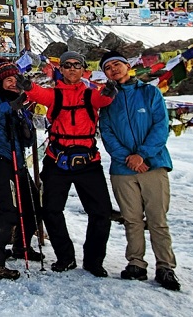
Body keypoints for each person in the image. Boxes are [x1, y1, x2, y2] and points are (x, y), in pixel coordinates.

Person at [18, 50, 116, 277]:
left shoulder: (91, 94)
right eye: (67, 65)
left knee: (101, 212)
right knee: (51, 210)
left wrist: (110, 93)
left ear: (83, 69)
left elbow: (104, 99)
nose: (72, 68)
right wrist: (28, 86)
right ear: (60, 69)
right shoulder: (55, 95)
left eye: (76, 65)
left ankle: (93, 260)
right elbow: (39, 94)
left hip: (89, 161)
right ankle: (65, 257)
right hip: (57, 160)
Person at [98, 50, 182, 291]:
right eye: (108, 67)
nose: (113, 69)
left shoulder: (150, 92)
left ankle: (165, 266)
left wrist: (142, 155)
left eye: (117, 65)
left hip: (153, 164)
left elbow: (160, 126)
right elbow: (108, 133)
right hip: (122, 169)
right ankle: (136, 263)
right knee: (132, 219)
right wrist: (127, 158)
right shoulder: (107, 100)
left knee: (157, 219)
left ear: (127, 66)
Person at [0, 58, 40, 281]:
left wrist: (27, 129)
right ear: (0, 82)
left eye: (15, 79)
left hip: (18, 161)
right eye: (8, 80)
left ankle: (22, 245)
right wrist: (8, 106)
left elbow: (27, 141)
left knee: (32, 205)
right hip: (1, 159)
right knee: (8, 209)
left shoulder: (20, 103)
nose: (12, 83)